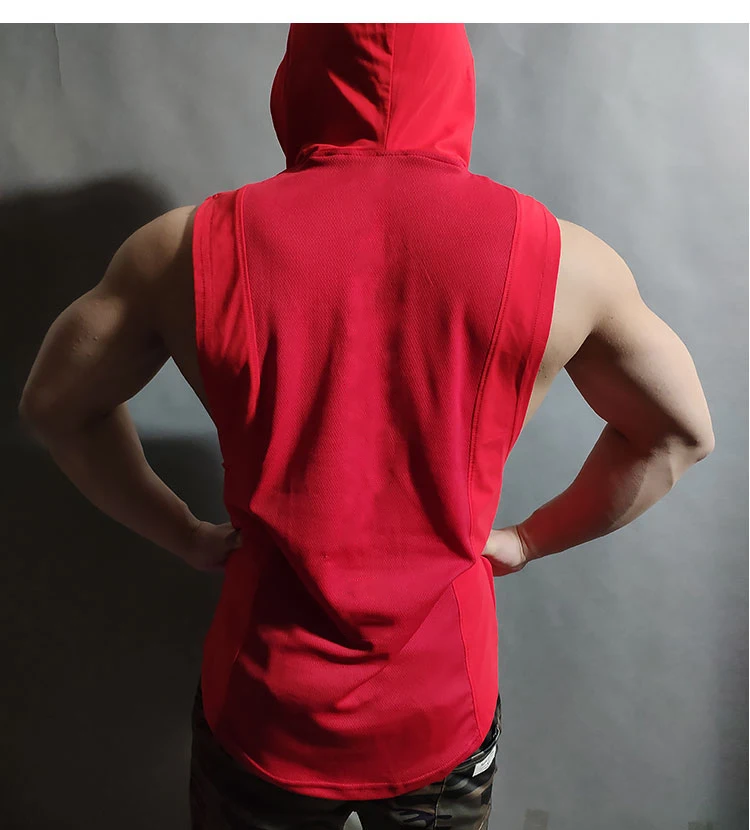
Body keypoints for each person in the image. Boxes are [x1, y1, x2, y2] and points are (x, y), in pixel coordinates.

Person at [19, 22, 714, 830]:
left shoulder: (178, 248)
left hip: (264, 697)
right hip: (441, 699)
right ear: (455, 81)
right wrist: (527, 540)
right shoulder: (569, 259)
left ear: (298, 81)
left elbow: (55, 407)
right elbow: (678, 435)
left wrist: (181, 531)